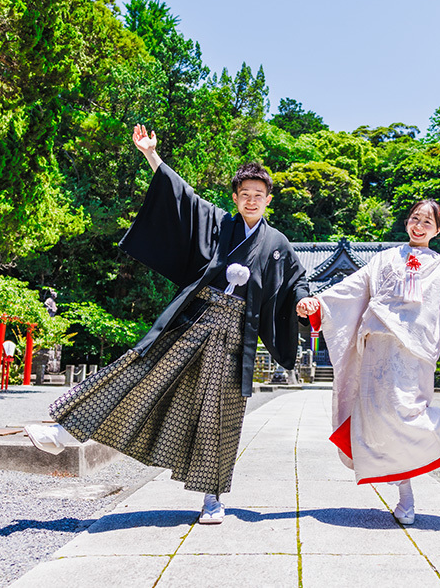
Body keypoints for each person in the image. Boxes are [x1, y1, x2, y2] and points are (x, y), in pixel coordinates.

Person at [46, 124, 310, 525]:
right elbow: (182, 196)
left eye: (259, 195)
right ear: (235, 198)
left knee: (219, 414)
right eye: (245, 194)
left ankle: (212, 498)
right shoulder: (220, 223)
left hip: (236, 335)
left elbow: (296, 282)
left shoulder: (279, 244)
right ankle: (65, 432)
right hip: (196, 319)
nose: (252, 200)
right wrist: (152, 155)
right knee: (140, 371)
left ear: (268, 199)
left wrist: (305, 299)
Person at [295, 200, 440, 525]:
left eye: (427, 222)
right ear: (407, 221)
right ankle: (405, 496)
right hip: (377, 351)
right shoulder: (382, 260)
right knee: (379, 423)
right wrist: (316, 302)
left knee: (407, 414)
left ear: (439, 228)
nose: (419, 226)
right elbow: (349, 291)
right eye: (415, 219)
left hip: (415, 354)